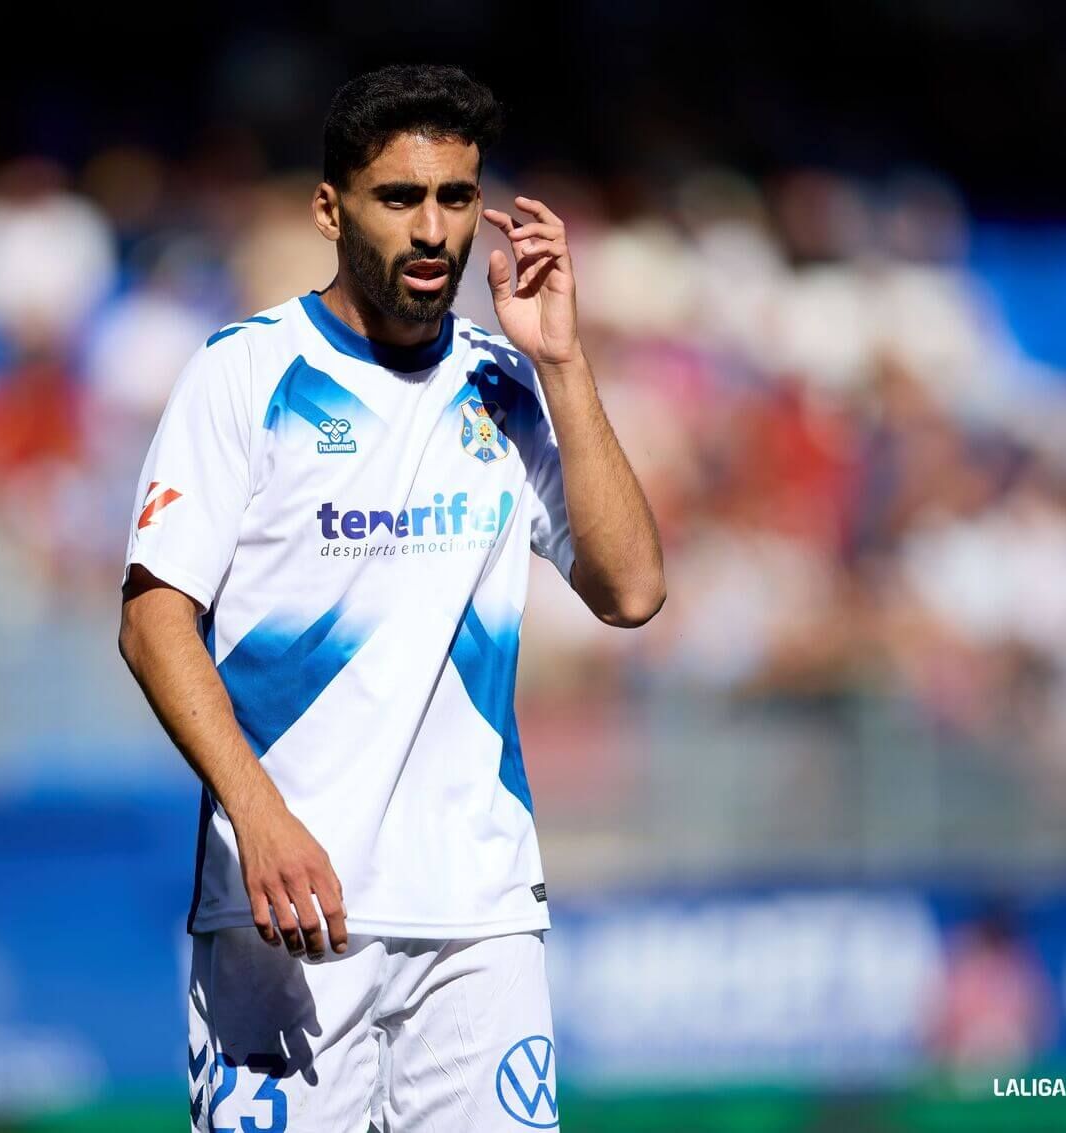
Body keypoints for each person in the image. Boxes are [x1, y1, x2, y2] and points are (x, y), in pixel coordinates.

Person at [117, 63, 664, 1131]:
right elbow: (152, 619)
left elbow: (632, 588)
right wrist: (258, 813)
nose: (431, 229)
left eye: (455, 198)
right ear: (332, 208)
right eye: (399, 198)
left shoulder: (504, 384)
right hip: (286, 913)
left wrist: (560, 360)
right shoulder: (244, 374)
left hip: (478, 915)